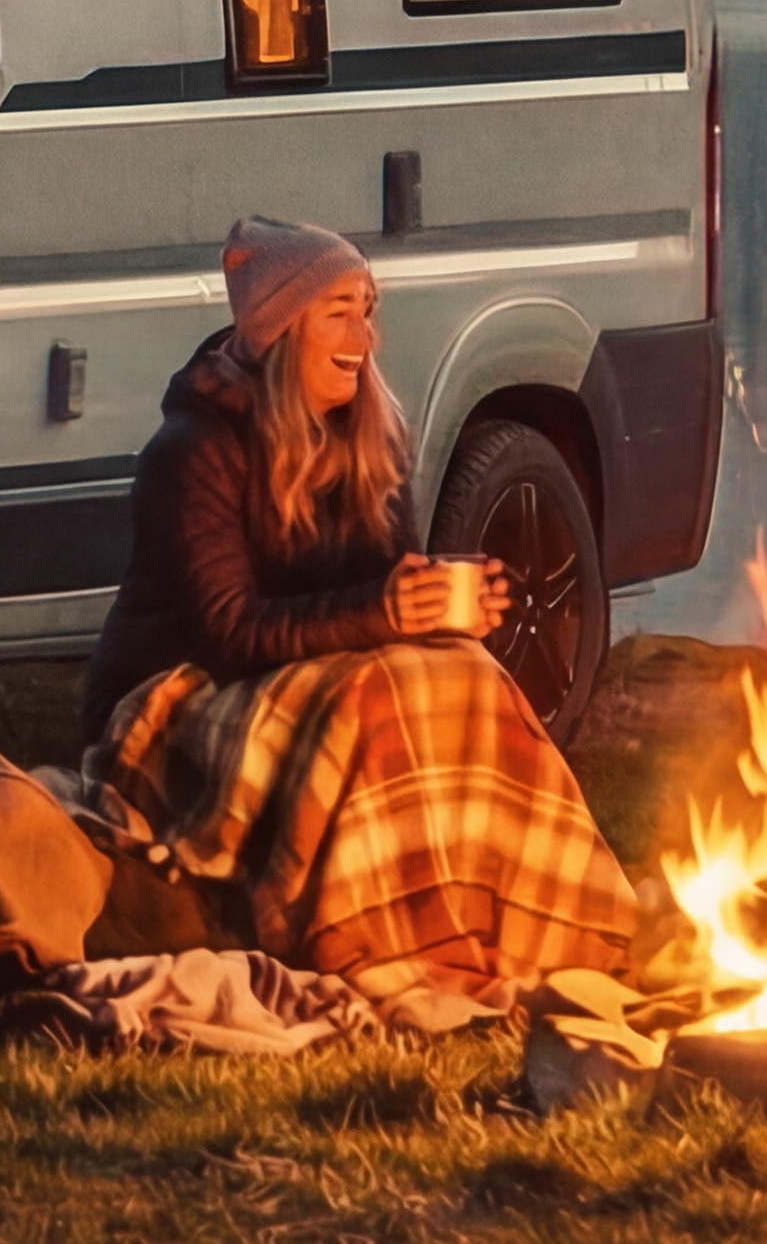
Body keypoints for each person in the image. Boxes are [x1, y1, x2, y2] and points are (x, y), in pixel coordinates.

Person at [73, 218, 639, 1018]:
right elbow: (231, 632)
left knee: (467, 676)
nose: (365, 337)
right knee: (372, 702)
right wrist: (383, 612)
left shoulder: (371, 436)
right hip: (175, 697)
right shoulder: (193, 451)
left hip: (316, 670)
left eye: (369, 310)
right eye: (340, 312)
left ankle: (563, 923)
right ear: (281, 328)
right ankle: (360, 942)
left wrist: (448, 600)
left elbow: (389, 588)